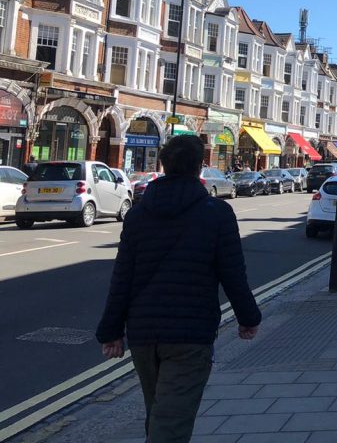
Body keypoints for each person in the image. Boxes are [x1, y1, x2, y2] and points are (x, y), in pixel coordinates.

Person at [96, 134, 261, 443]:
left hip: (144, 334)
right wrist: (248, 318)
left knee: (159, 414)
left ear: (164, 165)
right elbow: (233, 274)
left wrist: (111, 330)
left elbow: (123, 276)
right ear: (199, 168)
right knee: (170, 423)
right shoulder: (217, 214)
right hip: (190, 334)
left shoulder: (138, 215)